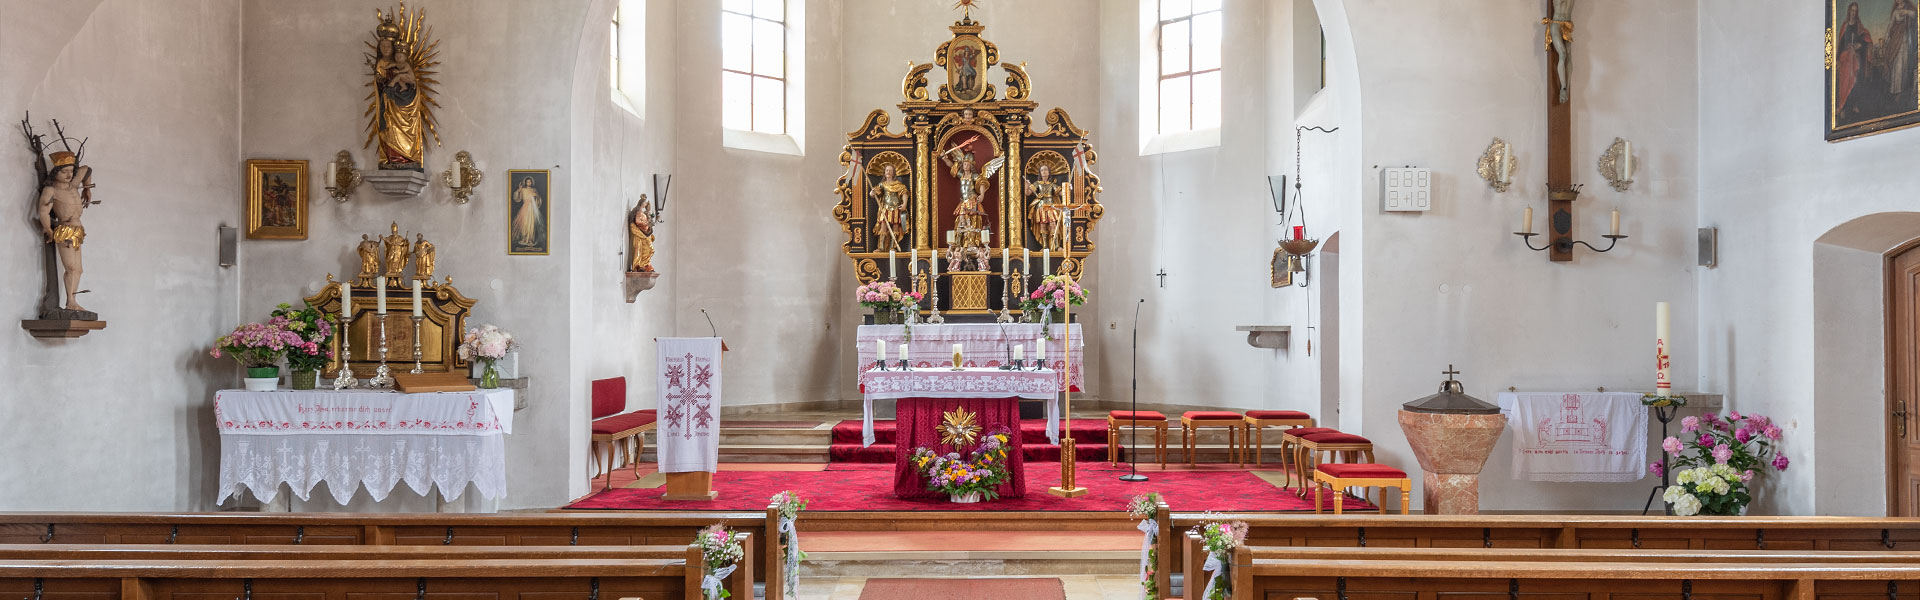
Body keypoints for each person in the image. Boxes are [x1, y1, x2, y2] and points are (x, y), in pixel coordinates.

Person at [36, 151, 92, 312]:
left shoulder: (74, 185)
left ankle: (73, 300)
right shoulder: (51, 190)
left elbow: (87, 169)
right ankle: (70, 300)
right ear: (56, 172)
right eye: (64, 171)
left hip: (78, 230)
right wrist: (48, 229)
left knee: (79, 269)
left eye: (70, 171)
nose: (68, 175)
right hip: (65, 230)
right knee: (71, 268)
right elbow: (43, 212)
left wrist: (87, 189)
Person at [870, 164, 910, 250]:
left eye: (890, 170)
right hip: (885, 209)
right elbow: (875, 192)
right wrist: (872, 193)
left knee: (895, 227)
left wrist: (904, 204)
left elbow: (904, 193)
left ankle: (893, 247)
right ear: (884, 173)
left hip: (896, 209)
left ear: (893, 173)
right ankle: (881, 247)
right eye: (887, 170)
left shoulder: (898, 185)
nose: (888, 172)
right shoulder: (882, 184)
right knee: (883, 226)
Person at [513, 177, 546, 250]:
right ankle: (524, 239)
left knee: (532, 224)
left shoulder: (534, 190)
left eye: (530, 182)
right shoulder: (523, 189)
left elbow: (539, 199)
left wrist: (536, 196)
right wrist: (519, 190)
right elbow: (517, 198)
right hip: (525, 208)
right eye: (527, 182)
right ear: (525, 183)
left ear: (531, 182)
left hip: (532, 209)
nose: (529, 183)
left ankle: (530, 239)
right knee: (524, 224)